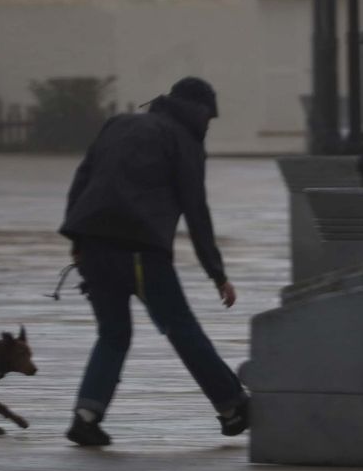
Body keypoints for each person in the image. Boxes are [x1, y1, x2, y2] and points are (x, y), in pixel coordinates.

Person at [59, 76, 250, 447]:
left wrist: (76, 240)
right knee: (181, 327)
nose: (208, 127)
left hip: (93, 246)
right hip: (140, 249)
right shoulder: (184, 140)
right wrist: (217, 273)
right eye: (209, 119)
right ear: (200, 111)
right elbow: (196, 208)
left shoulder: (118, 123)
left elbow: (83, 178)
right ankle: (232, 406)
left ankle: (86, 416)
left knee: (113, 334)